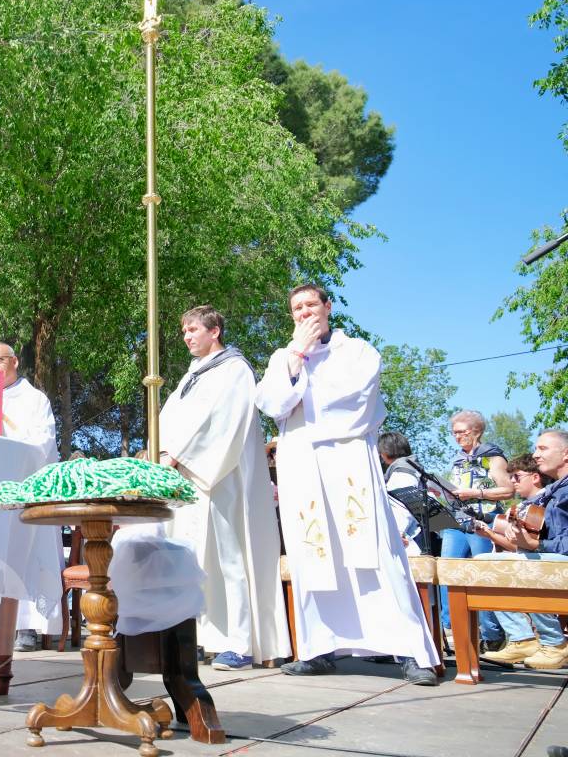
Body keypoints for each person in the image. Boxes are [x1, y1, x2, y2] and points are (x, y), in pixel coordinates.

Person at [254, 283, 439, 685]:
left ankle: (409, 651)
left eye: (310, 305)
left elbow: (353, 399)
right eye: (296, 308)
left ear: (327, 306)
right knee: (312, 552)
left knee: (373, 550)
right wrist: (297, 358)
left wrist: (298, 391)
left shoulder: (357, 351)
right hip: (301, 461)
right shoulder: (283, 356)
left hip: (346, 456)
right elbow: (270, 404)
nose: (304, 313)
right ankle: (320, 647)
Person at [156, 305, 290, 670]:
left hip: (218, 476)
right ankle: (201, 636)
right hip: (186, 479)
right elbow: (169, 419)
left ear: (215, 331)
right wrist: (163, 453)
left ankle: (240, 642)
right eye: (184, 330)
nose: (187, 336)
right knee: (194, 559)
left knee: (229, 559)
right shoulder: (190, 377)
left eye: (194, 329)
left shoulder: (235, 371)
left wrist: (179, 455)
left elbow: (223, 423)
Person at [0, 342, 58, 651]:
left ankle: (26, 626)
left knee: (25, 557)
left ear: (14, 361)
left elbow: (44, 443)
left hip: (26, 488)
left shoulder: (34, 399)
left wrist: (12, 452)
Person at [477, 431, 568, 670]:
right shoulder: (553, 491)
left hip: (559, 561)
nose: (536, 454)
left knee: (516, 561)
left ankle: (554, 644)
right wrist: (522, 539)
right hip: (552, 558)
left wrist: (533, 545)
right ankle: (522, 638)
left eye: (543, 448)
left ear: (566, 453)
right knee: (483, 562)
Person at [438, 409, 512, 651]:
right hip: (456, 521)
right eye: (454, 432)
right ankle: (450, 627)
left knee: (481, 576)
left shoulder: (492, 457)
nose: (457, 436)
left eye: (461, 432)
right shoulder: (457, 459)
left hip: (483, 521)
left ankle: (493, 634)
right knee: (447, 570)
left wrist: (475, 493)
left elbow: (508, 490)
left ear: (476, 431)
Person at [377, 432, 426, 556]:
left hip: (408, 535)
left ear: (385, 452)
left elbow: (402, 505)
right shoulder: (410, 467)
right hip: (412, 531)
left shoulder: (401, 472)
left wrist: (398, 531)